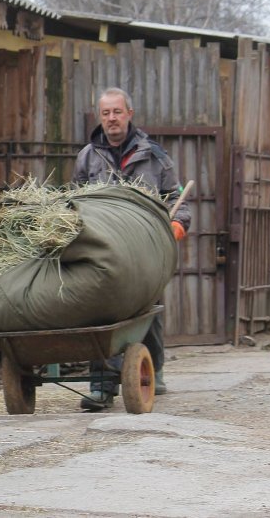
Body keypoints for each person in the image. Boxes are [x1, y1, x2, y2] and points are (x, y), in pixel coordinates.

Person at [72, 87, 190, 411]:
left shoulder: (155, 156)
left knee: (146, 310)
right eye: (106, 113)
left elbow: (178, 203)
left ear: (129, 114)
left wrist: (176, 227)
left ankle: (154, 368)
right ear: (100, 117)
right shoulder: (87, 157)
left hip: (144, 249)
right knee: (102, 310)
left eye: (117, 112)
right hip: (103, 249)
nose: (112, 119)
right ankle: (101, 386)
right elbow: (73, 202)